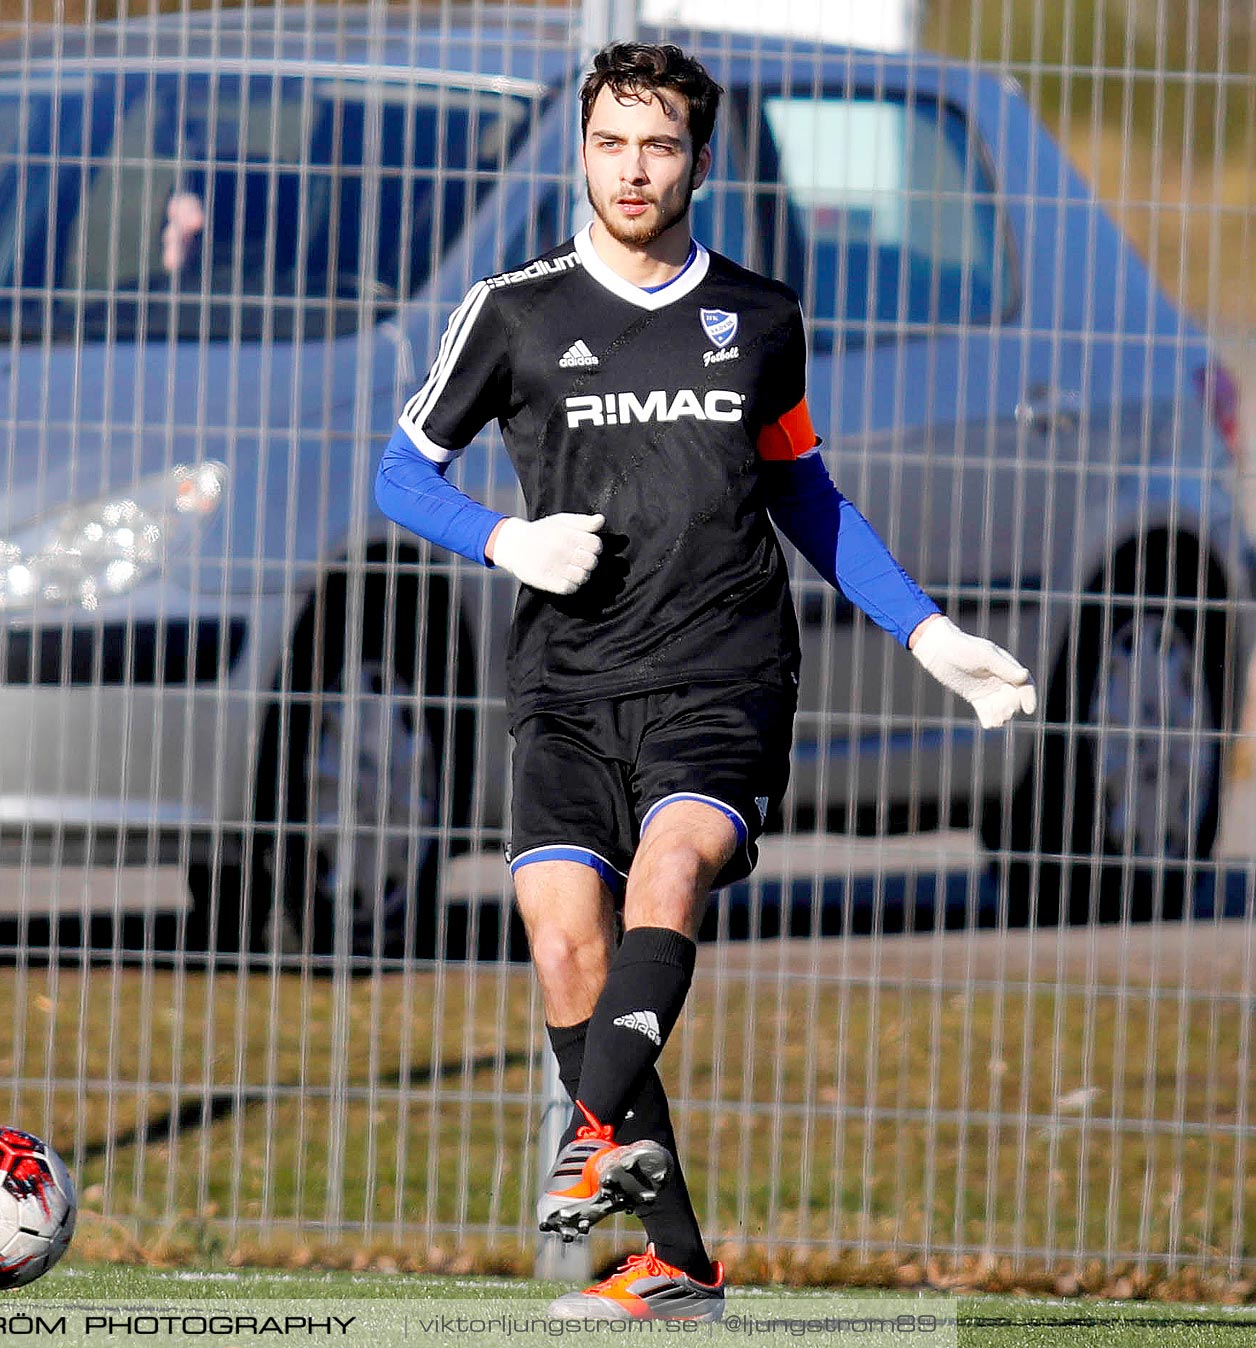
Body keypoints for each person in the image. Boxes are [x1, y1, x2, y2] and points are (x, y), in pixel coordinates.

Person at [373, 41, 1036, 1322]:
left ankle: (588, 1138)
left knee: (670, 871)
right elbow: (401, 474)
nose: (634, 169)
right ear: (582, 151)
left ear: (701, 163)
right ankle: (673, 1259)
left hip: (722, 673)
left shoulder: (762, 315)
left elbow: (805, 494)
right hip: (565, 683)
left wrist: (929, 634)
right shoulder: (513, 311)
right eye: (612, 142)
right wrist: (504, 539)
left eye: (660, 144)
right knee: (568, 946)